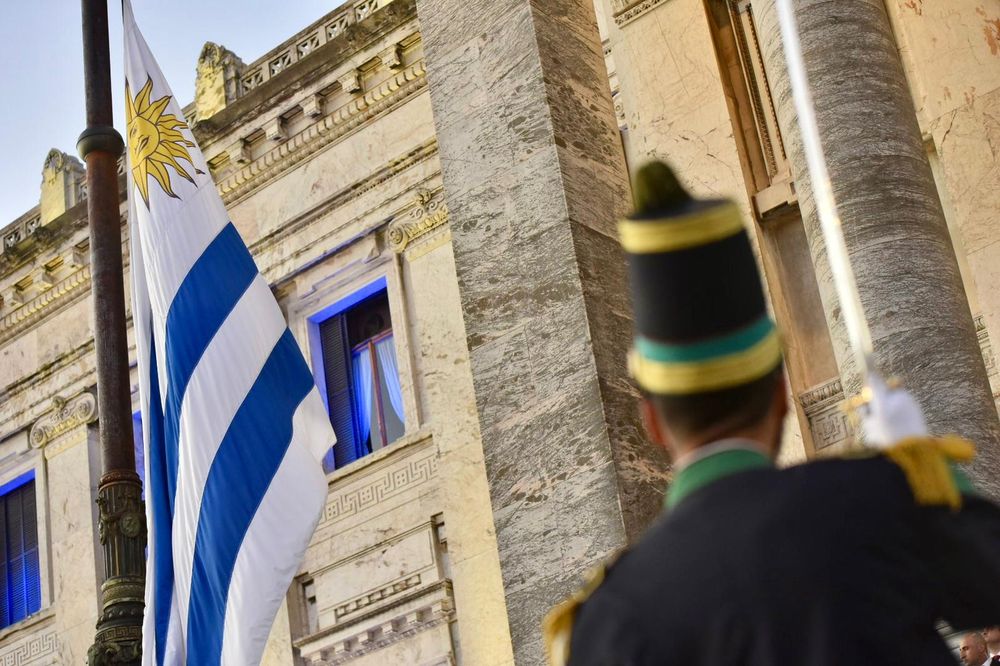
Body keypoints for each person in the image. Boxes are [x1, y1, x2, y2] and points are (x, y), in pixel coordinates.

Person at [542, 161, 1000, 666]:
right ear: (783, 395)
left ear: (650, 422)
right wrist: (924, 470)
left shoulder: (606, 620)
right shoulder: (873, 501)